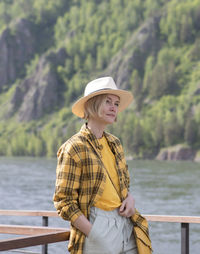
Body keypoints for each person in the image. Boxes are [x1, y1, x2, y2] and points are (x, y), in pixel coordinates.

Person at [53, 77, 152, 254]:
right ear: (91, 105)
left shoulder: (115, 143)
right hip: (96, 223)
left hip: (125, 223)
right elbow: (64, 201)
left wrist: (129, 198)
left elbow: (123, 184)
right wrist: (93, 232)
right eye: (107, 102)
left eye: (116, 103)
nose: (114, 107)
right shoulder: (74, 147)